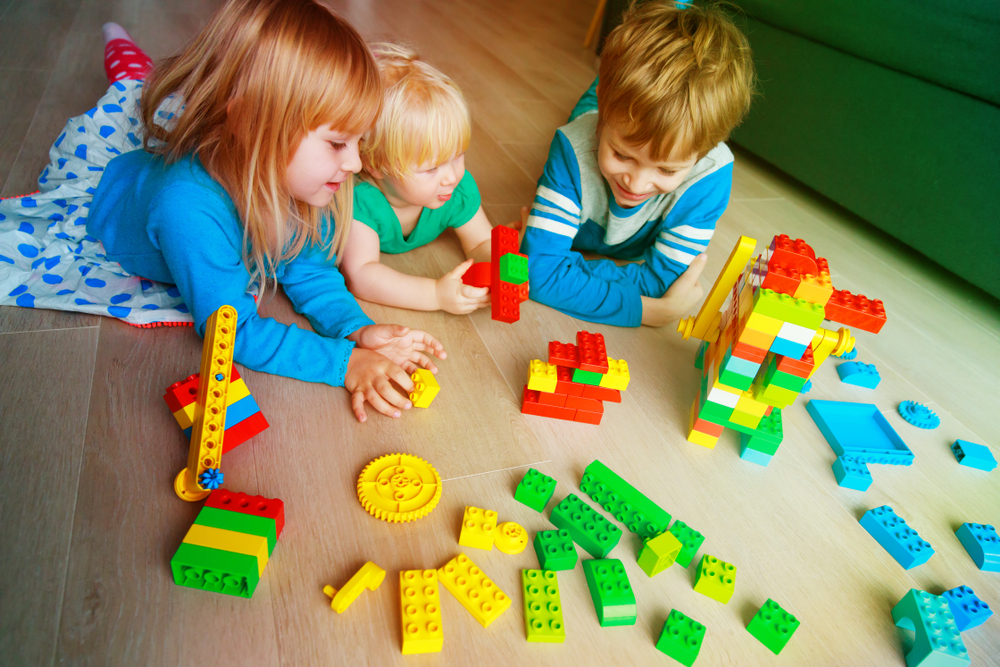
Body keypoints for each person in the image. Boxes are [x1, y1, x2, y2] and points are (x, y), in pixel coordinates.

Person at [4, 0, 447, 422]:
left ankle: (127, 56)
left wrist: (355, 327)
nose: (354, 164)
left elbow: (308, 269)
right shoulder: (189, 210)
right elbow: (231, 330)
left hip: (188, 167)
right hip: (105, 190)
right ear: (255, 124)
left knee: (146, 84)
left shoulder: (308, 180)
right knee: (131, 91)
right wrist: (345, 363)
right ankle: (117, 43)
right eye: (337, 143)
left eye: (358, 142)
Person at [519, 1, 755, 327]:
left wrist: (561, 269)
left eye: (667, 170)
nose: (637, 184)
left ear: (705, 151)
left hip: (611, 115)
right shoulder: (573, 148)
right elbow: (540, 273)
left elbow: (659, 284)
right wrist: (649, 310)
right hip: (595, 115)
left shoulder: (709, 176)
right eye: (622, 156)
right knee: (591, 104)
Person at [339, 43, 493, 315]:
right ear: (375, 165)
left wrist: (499, 271)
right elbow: (361, 275)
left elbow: (482, 242)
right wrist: (435, 295)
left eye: (458, 156)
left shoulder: (457, 189)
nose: (451, 176)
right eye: (431, 168)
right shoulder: (361, 200)